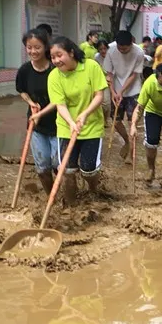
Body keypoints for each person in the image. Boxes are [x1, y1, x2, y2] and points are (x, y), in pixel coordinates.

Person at [45, 36, 108, 205]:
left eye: (60, 55)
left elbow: (99, 95)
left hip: (91, 125)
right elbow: (60, 105)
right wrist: (71, 122)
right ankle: (71, 204)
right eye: (53, 57)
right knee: (67, 169)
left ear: (71, 53)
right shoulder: (53, 77)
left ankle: (93, 190)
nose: (56, 60)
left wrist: (85, 114)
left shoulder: (91, 66)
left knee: (88, 169)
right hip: (66, 126)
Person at [16, 28, 58, 196]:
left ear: (46, 47)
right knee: (42, 168)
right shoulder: (24, 70)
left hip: (58, 124)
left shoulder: (55, 68)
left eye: (37, 47)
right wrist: (31, 102)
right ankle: (51, 199)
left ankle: (67, 196)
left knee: (60, 166)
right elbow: (22, 90)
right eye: (29, 47)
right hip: (36, 124)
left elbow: (60, 99)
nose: (33, 51)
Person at [130, 60, 162, 189]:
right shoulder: (150, 83)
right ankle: (151, 169)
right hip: (153, 111)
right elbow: (139, 107)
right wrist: (133, 125)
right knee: (151, 141)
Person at [105, 30, 145, 160]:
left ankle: (132, 151)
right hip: (116, 88)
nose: (122, 50)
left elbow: (134, 74)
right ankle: (127, 141)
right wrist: (113, 92)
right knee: (115, 121)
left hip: (133, 89)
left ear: (131, 43)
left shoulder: (139, 52)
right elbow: (109, 74)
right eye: (119, 48)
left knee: (131, 122)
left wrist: (121, 91)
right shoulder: (111, 50)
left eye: (125, 48)